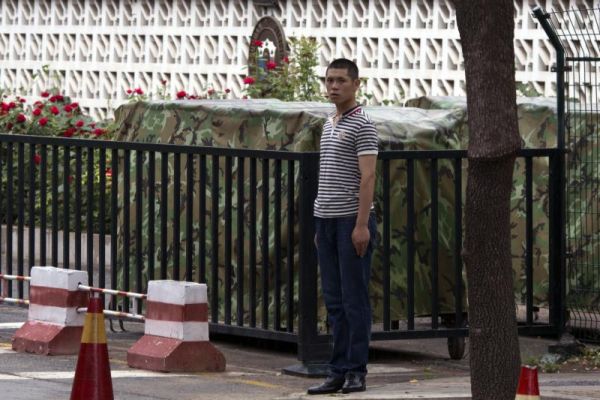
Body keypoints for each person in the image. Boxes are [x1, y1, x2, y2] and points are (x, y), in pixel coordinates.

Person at [307, 58, 378, 395]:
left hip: (352, 220)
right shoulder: (328, 123)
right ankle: (336, 369)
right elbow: (327, 175)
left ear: (355, 84)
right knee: (334, 301)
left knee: (354, 300)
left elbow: (368, 176)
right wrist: (319, 224)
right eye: (329, 80)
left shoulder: (362, 124)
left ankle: (356, 370)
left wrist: (362, 224)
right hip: (327, 220)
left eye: (340, 80)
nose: (333, 86)